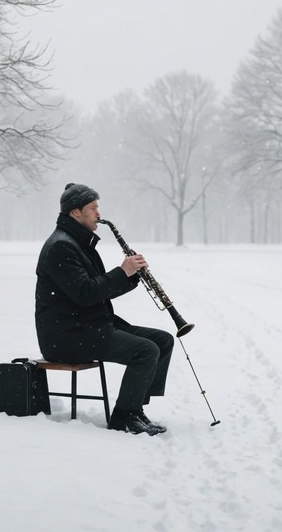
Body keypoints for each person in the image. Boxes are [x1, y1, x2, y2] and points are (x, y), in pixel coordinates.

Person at [35, 182, 174, 436]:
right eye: (93, 208)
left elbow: (97, 291)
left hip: (87, 326)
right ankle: (123, 418)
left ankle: (134, 410)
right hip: (66, 337)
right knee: (146, 350)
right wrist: (122, 271)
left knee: (163, 341)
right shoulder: (61, 247)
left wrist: (131, 276)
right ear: (76, 213)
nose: (98, 214)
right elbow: (86, 293)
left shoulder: (78, 243)